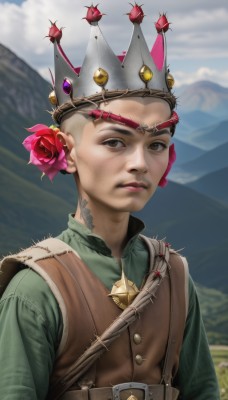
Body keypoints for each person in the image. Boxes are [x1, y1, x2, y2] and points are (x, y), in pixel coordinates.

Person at [0, 3, 219, 400]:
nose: (140, 164)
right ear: (66, 153)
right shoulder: (35, 291)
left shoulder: (175, 278)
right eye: (115, 142)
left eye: (156, 145)